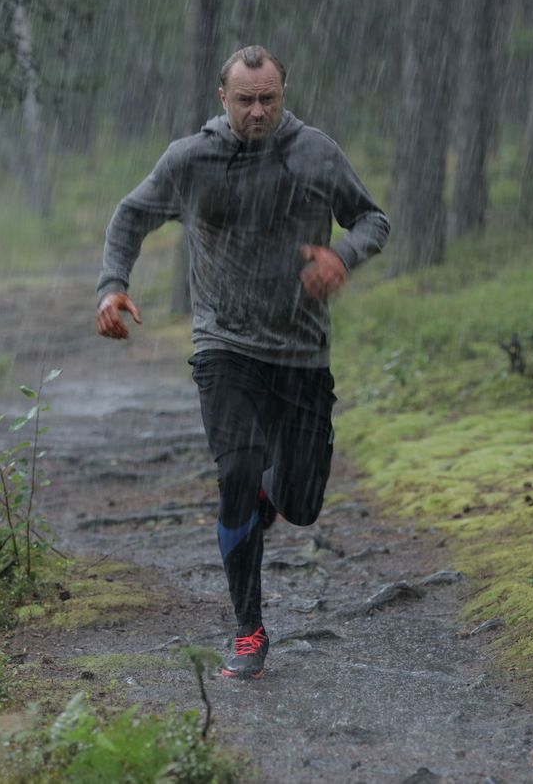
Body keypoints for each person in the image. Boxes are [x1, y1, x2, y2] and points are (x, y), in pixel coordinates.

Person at [96, 45, 390, 679]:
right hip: (224, 344)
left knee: (303, 503)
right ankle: (249, 629)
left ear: (284, 94)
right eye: (246, 100)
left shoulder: (316, 152)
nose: (258, 111)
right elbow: (130, 216)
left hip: (302, 352)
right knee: (235, 472)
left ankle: (265, 492)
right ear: (222, 99)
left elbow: (372, 219)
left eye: (270, 99)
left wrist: (346, 256)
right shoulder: (191, 159)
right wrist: (111, 285)